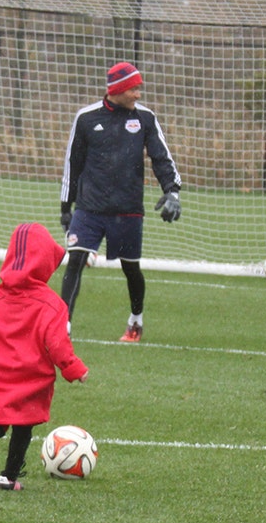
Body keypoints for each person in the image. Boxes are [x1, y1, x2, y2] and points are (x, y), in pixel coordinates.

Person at [0, 223, 88, 491]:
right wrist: (74, 369)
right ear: (44, 262)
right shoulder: (52, 305)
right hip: (31, 374)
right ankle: (8, 477)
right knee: (23, 425)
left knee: (2, 414)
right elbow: (57, 344)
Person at [59, 61, 182, 342]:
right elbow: (72, 165)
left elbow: (162, 158)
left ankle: (135, 321)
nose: (138, 94)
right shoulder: (87, 118)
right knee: (75, 261)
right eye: (134, 89)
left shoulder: (146, 119)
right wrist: (66, 208)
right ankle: (62, 325)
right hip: (89, 209)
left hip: (128, 211)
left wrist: (172, 191)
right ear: (118, 90)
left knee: (131, 268)